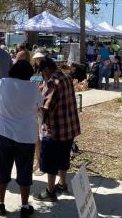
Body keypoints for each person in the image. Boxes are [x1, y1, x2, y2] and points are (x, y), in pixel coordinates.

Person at [0, 60, 43, 217]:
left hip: (3, 133)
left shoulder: (2, 83)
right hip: (26, 135)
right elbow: (40, 106)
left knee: (2, 167)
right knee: (24, 171)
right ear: (29, 74)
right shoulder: (33, 87)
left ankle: (1, 203)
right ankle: (24, 206)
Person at [34, 57, 81, 203]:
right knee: (63, 158)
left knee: (49, 162)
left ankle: (50, 191)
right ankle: (62, 184)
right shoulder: (65, 76)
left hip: (55, 129)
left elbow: (45, 107)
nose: (42, 76)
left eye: (42, 73)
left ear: (47, 69)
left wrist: (34, 106)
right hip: (69, 126)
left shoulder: (52, 81)